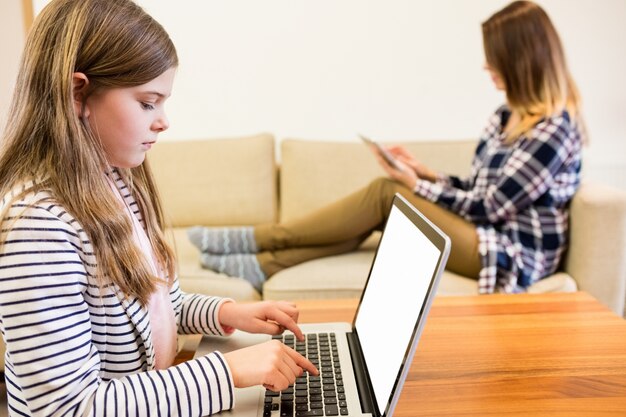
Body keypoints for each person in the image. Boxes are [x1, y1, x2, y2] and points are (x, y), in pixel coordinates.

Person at [0, 0, 317, 415]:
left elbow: (156, 306)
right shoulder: (38, 227)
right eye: (148, 102)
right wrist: (230, 371)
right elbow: (67, 408)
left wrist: (229, 312)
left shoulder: (113, 180)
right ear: (79, 94)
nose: (163, 120)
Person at [189, 0, 584, 294]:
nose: (486, 66)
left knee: (387, 194)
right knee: (387, 205)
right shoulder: (505, 116)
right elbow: (479, 188)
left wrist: (416, 185)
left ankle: (260, 238)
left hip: (508, 255)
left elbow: (491, 208)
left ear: (523, 61)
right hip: (482, 233)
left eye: (495, 58)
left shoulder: (553, 131)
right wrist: (430, 174)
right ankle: (262, 264)